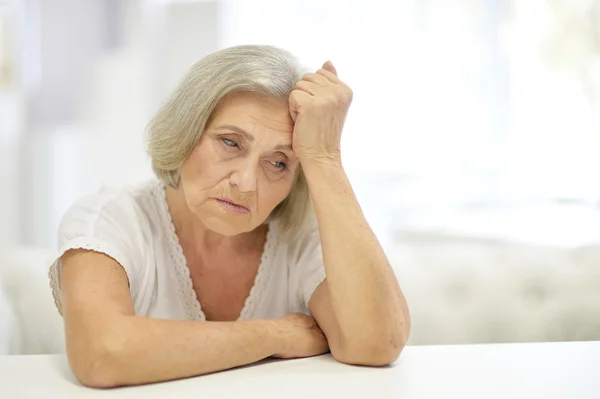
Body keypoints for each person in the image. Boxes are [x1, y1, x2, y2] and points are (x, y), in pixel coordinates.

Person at [48, 45, 410, 388]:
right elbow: (102, 353)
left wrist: (325, 157)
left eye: (279, 163)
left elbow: (378, 343)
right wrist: (277, 334)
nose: (246, 182)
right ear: (185, 133)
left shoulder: (302, 235)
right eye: (231, 142)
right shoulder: (110, 218)